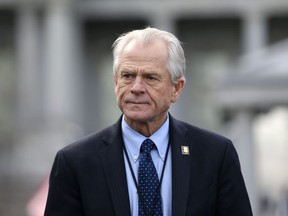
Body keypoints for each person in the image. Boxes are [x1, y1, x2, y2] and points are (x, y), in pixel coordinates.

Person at [44, 27, 253, 216]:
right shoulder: (75, 162)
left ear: (176, 88)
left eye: (150, 77)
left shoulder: (215, 155)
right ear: (116, 83)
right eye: (127, 75)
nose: (136, 87)